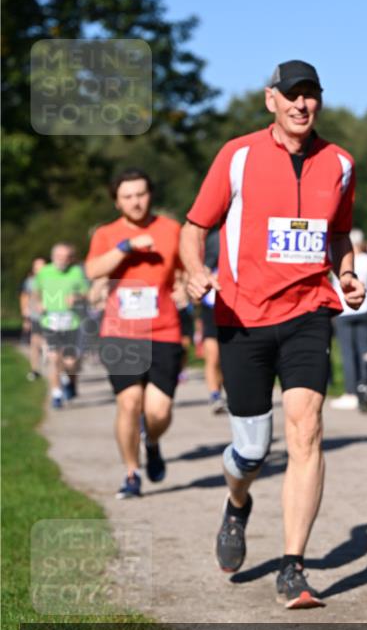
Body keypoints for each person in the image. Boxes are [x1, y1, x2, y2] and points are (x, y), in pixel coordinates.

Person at [180, 59, 365, 609]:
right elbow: (195, 228)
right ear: (271, 100)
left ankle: (293, 565)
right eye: (292, 95)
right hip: (242, 316)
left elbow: (338, 236)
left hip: (309, 311)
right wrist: (194, 271)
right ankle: (237, 503)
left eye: (311, 95)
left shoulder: (341, 163)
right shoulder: (237, 156)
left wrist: (347, 273)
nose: (301, 104)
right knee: (252, 449)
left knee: (306, 429)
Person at [85, 168, 183, 499]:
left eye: (141, 194)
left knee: (158, 412)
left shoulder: (171, 230)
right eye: (127, 196)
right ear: (117, 201)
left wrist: (186, 289)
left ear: (151, 194)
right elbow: (93, 270)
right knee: (129, 402)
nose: (136, 202)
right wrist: (126, 246)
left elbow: (185, 272)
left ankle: (152, 441)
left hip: (164, 330)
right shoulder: (106, 234)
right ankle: (131, 472)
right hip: (120, 332)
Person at [330, 228, 367, 410]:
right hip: (365, 308)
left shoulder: (338, 258)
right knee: (365, 351)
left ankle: (350, 391)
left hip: (344, 310)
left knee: (348, 353)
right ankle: (365, 387)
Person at [35, 244, 88, 408]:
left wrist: (77, 297)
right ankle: (56, 394)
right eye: (59, 256)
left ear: (71, 258)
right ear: (52, 257)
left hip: (72, 322)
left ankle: (69, 380)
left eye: (66, 257)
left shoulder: (77, 272)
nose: (62, 260)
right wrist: (39, 303)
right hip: (50, 321)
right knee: (54, 357)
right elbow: (37, 291)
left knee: (70, 361)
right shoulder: (44, 272)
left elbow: (87, 293)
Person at [200, 227, 227, 414]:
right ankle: (215, 395)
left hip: (237, 305)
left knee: (227, 356)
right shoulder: (214, 237)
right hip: (211, 303)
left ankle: (228, 392)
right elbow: (205, 266)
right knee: (213, 354)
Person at [20, 257, 47, 381]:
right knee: (35, 342)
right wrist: (25, 316)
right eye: (37, 267)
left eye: (42, 266)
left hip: (51, 317)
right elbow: (24, 297)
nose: (39, 269)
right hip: (35, 316)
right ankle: (35, 369)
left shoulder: (52, 279)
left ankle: (54, 367)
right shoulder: (30, 282)